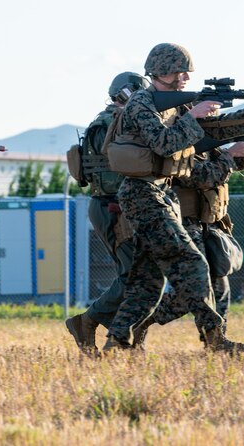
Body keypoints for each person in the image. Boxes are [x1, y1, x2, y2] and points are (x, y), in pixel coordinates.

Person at [103, 42, 244, 354]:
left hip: (160, 193)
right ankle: (215, 339)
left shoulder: (173, 106)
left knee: (147, 280)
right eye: (179, 70)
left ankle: (117, 343)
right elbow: (163, 144)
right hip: (142, 194)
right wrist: (194, 115)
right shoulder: (141, 104)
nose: (186, 76)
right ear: (161, 71)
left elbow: (212, 128)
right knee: (191, 261)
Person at [132, 136, 244, 349]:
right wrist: (229, 155)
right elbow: (199, 177)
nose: (214, 111)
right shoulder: (181, 139)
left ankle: (216, 341)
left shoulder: (207, 140)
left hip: (206, 224)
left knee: (218, 285)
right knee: (197, 289)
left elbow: (227, 166)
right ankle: (139, 321)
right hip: (184, 224)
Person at [65, 72, 145, 355]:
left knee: (138, 274)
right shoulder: (108, 122)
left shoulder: (115, 120)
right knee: (135, 275)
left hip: (122, 205)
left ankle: (125, 339)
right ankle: (87, 322)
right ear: (128, 94)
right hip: (113, 207)